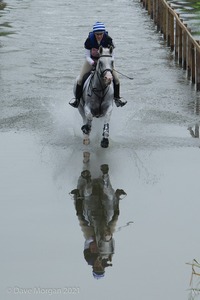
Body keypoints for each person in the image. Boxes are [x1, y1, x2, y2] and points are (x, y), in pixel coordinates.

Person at [70, 21, 127, 108]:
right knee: (80, 79)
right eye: (97, 34)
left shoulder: (109, 40)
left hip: (106, 62)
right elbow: (87, 56)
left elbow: (113, 56)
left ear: (104, 33)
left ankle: (117, 98)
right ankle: (77, 100)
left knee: (117, 79)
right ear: (94, 33)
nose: (99, 36)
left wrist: (108, 64)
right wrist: (93, 63)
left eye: (101, 34)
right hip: (91, 61)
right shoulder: (89, 40)